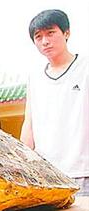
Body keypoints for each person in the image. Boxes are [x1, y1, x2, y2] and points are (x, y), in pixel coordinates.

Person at [20, 9, 89, 196]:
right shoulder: (34, 76)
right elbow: (29, 122)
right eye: (38, 36)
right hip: (49, 176)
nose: (45, 41)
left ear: (66, 33)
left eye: (51, 33)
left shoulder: (85, 67)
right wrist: (24, 165)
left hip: (83, 171)